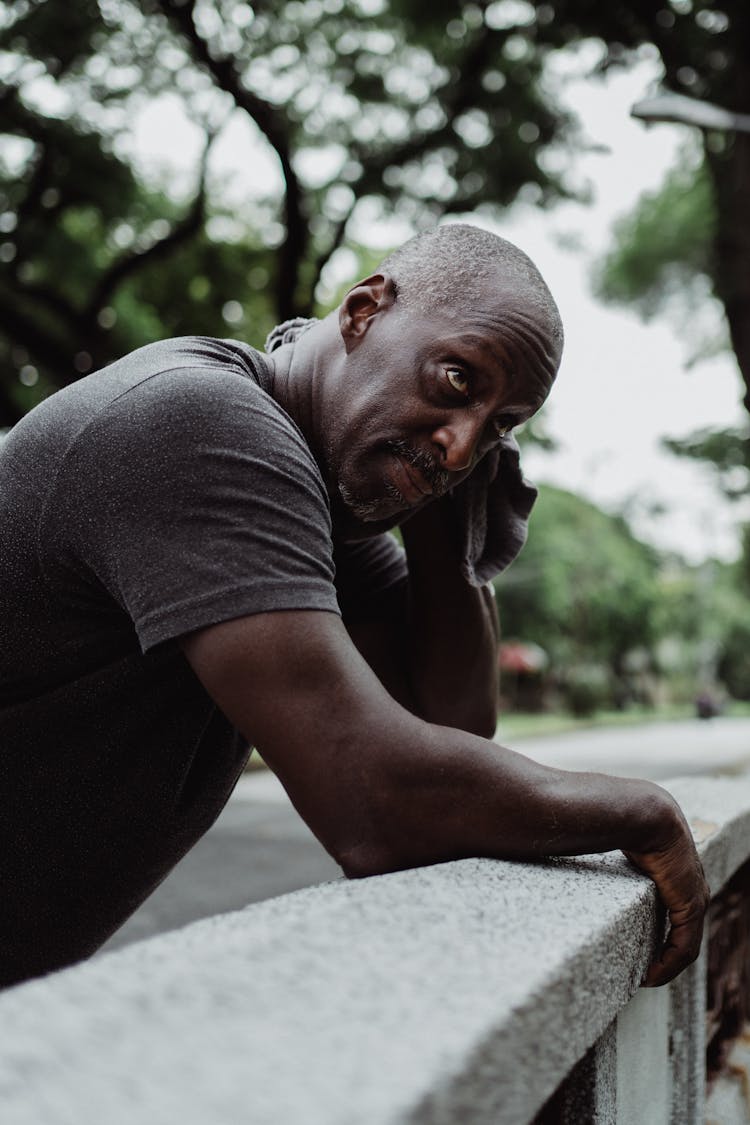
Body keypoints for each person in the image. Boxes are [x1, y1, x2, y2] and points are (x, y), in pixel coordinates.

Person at [0, 224, 708, 989]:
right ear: (364, 310)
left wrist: (450, 478)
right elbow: (375, 806)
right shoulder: (202, 428)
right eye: (458, 378)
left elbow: (450, 723)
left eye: (501, 428)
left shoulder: (324, 505)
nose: (464, 446)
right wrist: (641, 811)